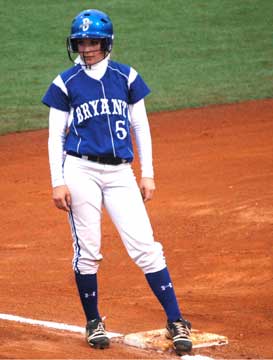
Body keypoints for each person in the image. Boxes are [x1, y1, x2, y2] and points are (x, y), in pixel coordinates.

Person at [42, 8, 192, 355]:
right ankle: (94, 320)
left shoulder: (126, 77)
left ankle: (176, 319)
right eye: (80, 42)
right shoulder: (64, 83)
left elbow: (141, 127)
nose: (86, 48)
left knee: (145, 246)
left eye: (93, 41)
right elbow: (54, 138)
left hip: (121, 172)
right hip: (80, 171)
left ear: (106, 43)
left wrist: (148, 173)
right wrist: (57, 181)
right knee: (89, 250)